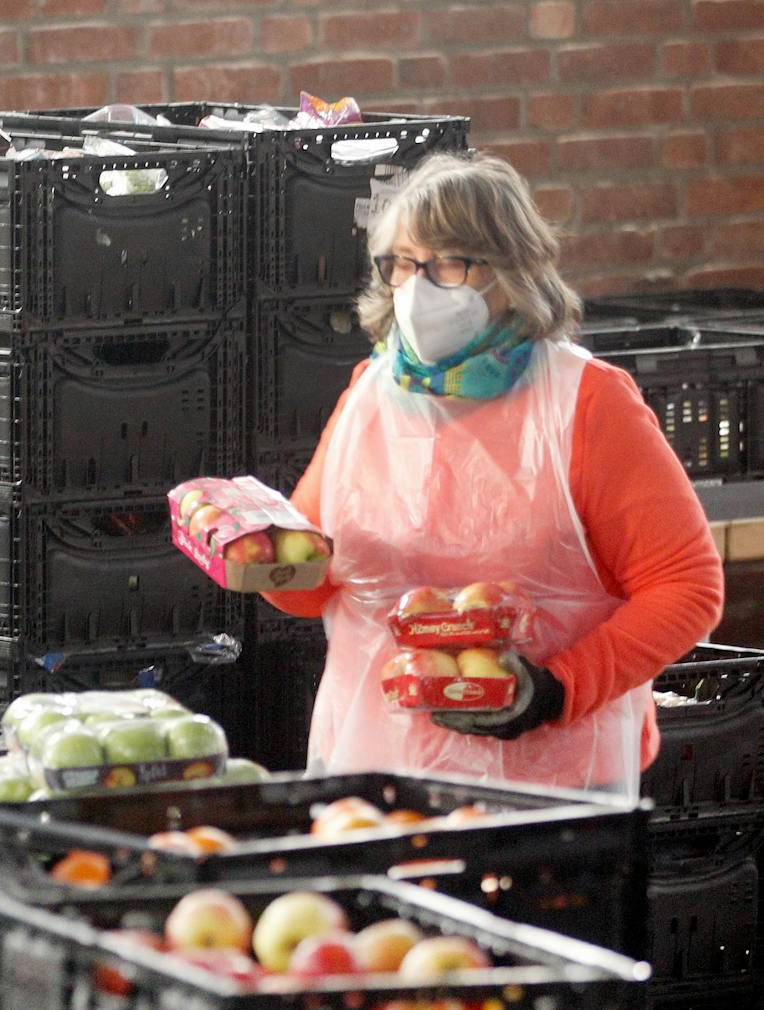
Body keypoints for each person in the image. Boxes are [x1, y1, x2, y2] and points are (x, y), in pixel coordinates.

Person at [261, 152, 725, 797]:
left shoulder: (587, 403)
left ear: (511, 271)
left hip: (549, 788)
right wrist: (267, 564)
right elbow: (316, 586)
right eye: (402, 262)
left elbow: (686, 588)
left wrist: (555, 688)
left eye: (449, 262)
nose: (417, 288)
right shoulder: (369, 393)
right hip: (374, 774)